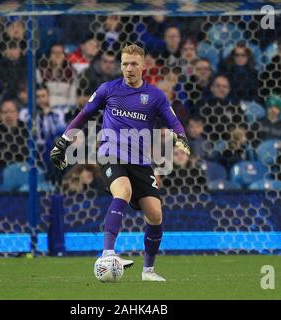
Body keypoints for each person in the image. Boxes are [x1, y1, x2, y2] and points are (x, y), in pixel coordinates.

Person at [50, 44, 190, 281]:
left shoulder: (155, 96)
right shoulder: (108, 89)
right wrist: (63, 142)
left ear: (143, 66)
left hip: (141, 162)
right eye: (125, 63)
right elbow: (83, 115)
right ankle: (107, 253)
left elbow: (173, 121)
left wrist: (181, 137)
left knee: (155, 215)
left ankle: (148, 271)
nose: (129, 68)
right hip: (110, 154)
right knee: (123, 190)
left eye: (134, 63)